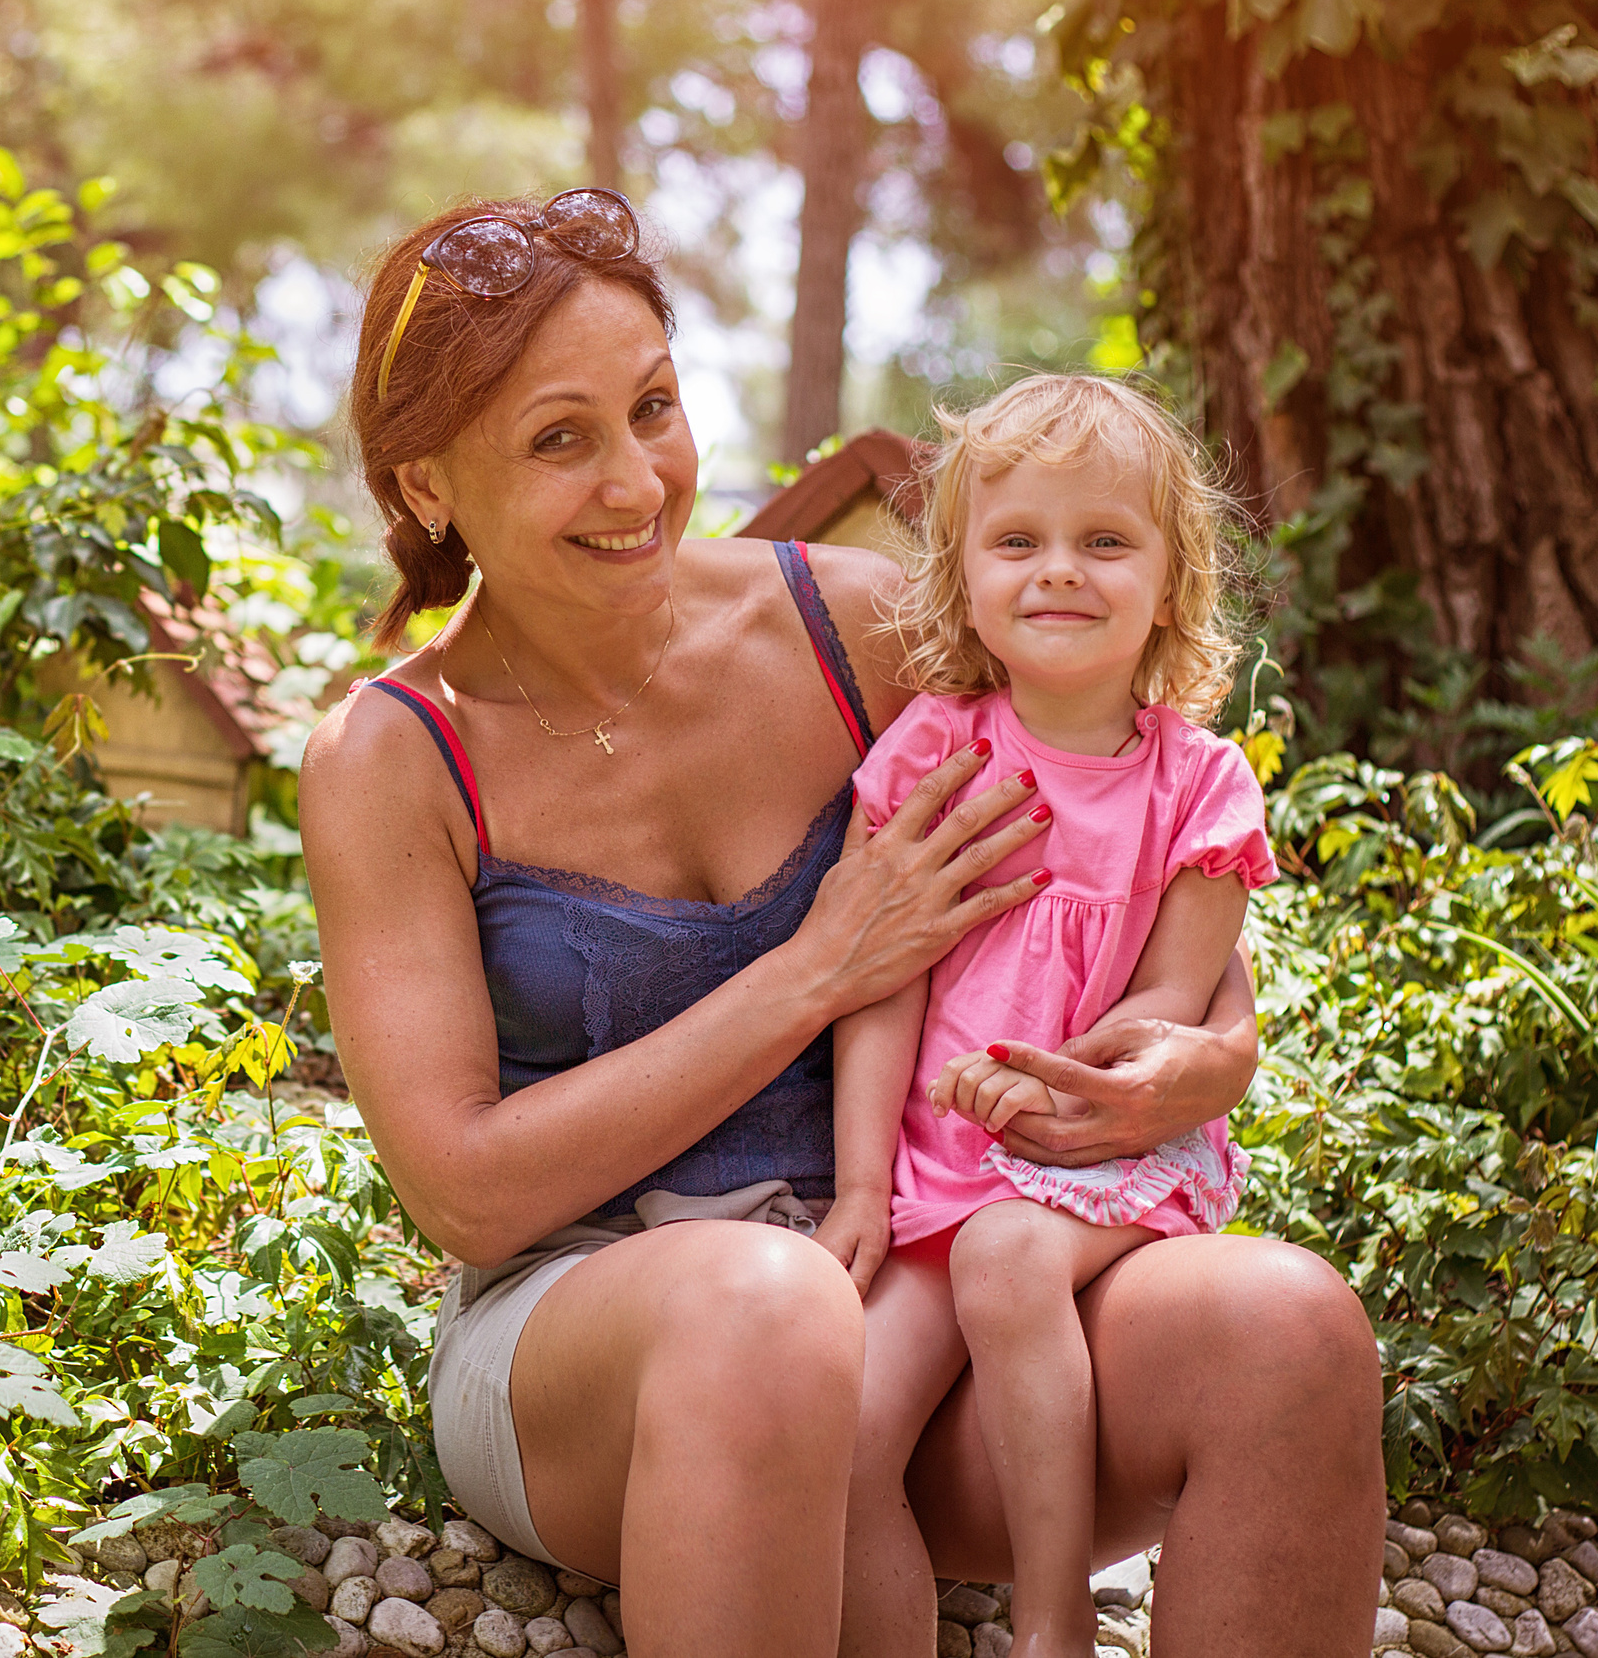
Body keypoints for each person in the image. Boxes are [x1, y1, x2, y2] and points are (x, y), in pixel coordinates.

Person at [298, 188, 1383, 1658]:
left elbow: (1128, 866)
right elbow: (469, 1194)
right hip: (601, 1348)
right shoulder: (391, 757)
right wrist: (819, 968)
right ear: (426, 482)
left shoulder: (855, 626)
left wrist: (1211, 1056)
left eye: (655, 408)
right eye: (561, 438)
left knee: (1288, 1321)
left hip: (930, 1269)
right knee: (771, 1307)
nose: (639, 482)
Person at [828, 374, 1277, 1658]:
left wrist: (1042, 1084)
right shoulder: (931, 752)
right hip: (932, 1168)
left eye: (1104, 541)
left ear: (1169, 578)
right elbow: (880, 982)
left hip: (1102, 1153)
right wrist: (864, 1185)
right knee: (840, 1422)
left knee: (1010, 1258)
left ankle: (1054, 1624)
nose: (1057, 572)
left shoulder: (1198, 782)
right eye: (1016, 541)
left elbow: (1169, 1003)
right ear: (961, 574)